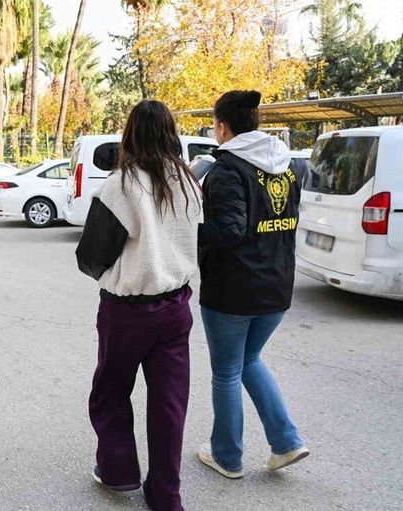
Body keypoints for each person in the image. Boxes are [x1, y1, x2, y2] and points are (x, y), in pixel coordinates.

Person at [76, 100, 201, 511]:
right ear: (171, 133)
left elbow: (91, 255)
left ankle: (118, 472)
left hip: (127, 311)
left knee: (110, 392)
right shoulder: (188, 181)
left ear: (130, 133)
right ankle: (166, 496)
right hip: (176, 308)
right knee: (169, 405)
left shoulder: (123, 184)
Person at [197, 90, 308, 479]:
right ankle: (286, 441)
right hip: (277, 285)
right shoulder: (287, 166)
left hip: (233, 290)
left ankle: (227, 457)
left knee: (228, 371)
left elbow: (229, 231)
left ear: (222, 126)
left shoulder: (227, 170)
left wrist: (190, 229)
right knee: (249, 360)